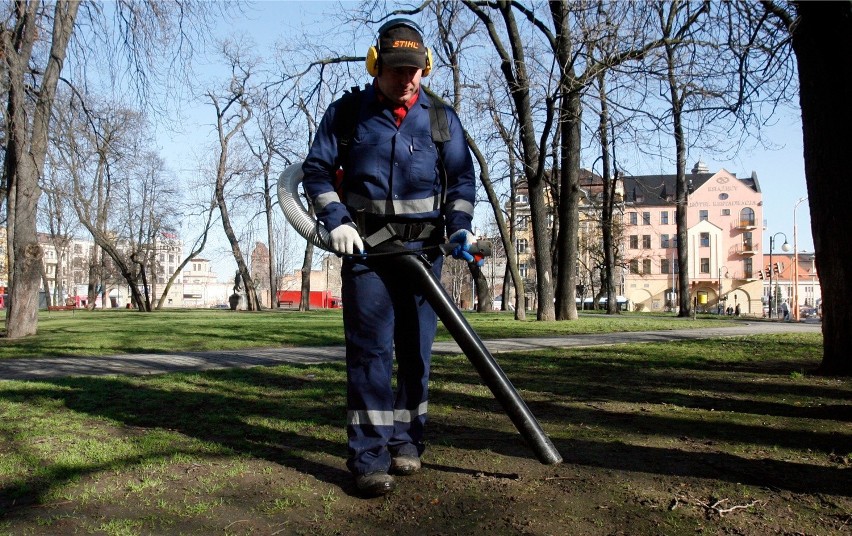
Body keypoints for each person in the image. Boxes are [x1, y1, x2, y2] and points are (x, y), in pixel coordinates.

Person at [302, 18, 477, 497]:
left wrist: (459, 227)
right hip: (369, 253)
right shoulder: (347, 114)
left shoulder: (442, 119)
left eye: (415, 70)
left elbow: (462, 181)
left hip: (425, 254)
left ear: (427, 68)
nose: (407, 80)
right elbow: (316, 170)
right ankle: (368, 458)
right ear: (376, 64)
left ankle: (407, 443)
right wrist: (335, 219)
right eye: (398, 70)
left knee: (416, 353)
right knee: (370, 354)